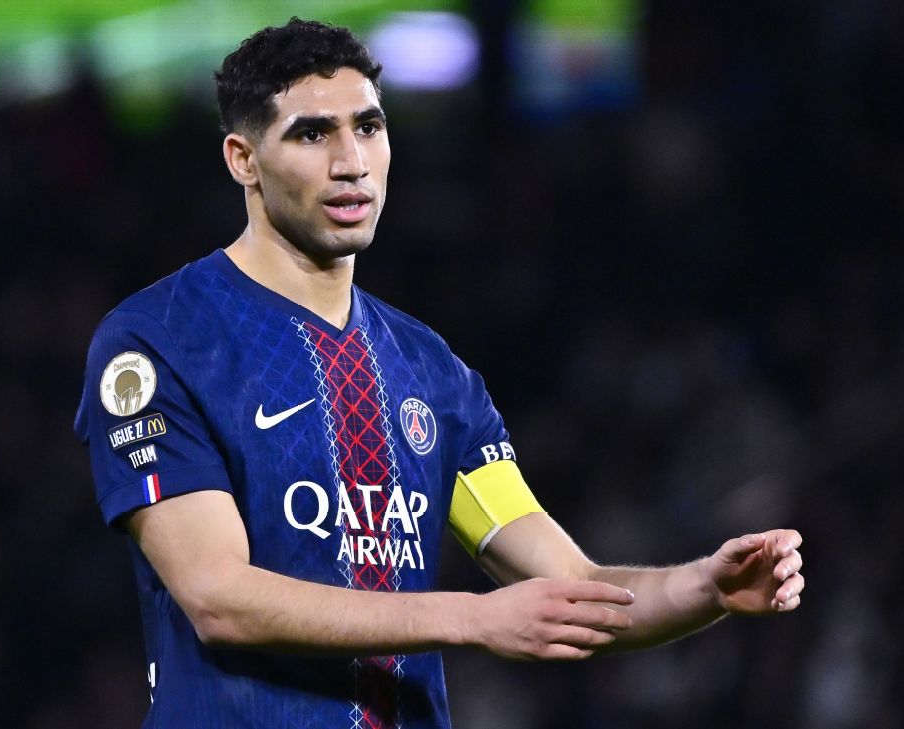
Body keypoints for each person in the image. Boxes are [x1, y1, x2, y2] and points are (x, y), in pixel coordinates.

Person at [75, 17, 805, 729]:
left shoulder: (430, 371)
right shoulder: (160, 340)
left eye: (368, 126)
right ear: (243, 159)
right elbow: (217, 597)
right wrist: (472, 617)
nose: (351, 161)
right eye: (312, 134)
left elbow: (571, 585)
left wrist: (702, 587)